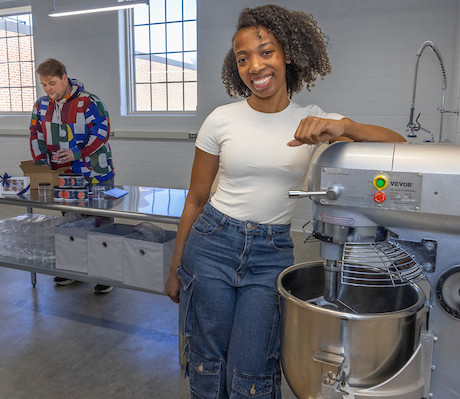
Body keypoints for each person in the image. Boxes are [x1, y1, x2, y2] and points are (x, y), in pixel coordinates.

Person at [166, 5, 406, 398]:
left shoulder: (313, 121)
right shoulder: (220, 120)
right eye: (243, 58)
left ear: (287, 54)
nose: (255, 66)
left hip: (270, 251)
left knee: (253, 368)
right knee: (208, 361)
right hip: (211, 243)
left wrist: (343, 128)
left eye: (266, 52)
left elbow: (398, 145)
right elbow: (195, 199)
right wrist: (176, 267)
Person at [30, 58, 115, 295]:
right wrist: (39, 165)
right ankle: (72, 269)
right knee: (70, 222)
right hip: (64, 176)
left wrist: (77, 152)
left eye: (52, 83)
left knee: (100, 222)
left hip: (95, 174)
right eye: (44, 84)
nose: (48, 89)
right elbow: (35, 134)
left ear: (64, 78)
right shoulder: (41, 106)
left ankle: (105, 273)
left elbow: (101, 133)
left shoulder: (89, 102)